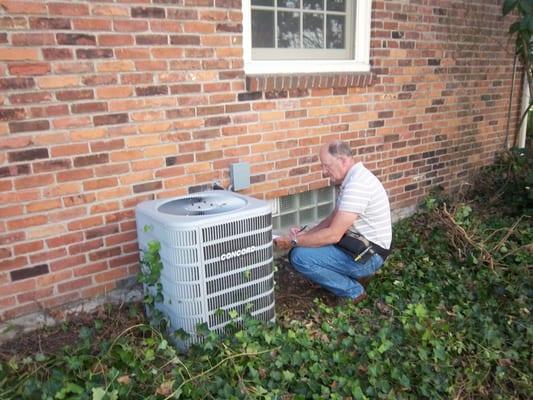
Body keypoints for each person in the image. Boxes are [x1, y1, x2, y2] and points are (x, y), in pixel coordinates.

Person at [274, 140, 392, 303]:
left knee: (299, 256)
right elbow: (332, 220)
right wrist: (306, 235)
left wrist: (293, 241)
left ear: (343, 160)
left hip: (369, 256)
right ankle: (344, 277)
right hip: (359, 246)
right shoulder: (353, 179)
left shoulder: (358, 186)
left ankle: (353, 291)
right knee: (305, 246)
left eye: (326, 165)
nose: (324, 171)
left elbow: (333, 235)